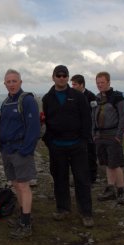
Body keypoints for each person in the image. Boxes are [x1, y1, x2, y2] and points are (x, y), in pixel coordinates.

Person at [42, 65, 94, 227]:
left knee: (82, 179)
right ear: (53, 77)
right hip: (56, 146)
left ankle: (86, 213)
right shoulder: (47, 98)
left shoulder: (78, 97)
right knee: (59, 179)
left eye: (65, 75)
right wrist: (49, 141)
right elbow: (45, 121)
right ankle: (63, 208)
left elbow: (86, 119)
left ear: (68, 78)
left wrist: (84, 140)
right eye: (59, 75)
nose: (62, 77)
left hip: (77, 146)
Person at [0, 69, 41, 239]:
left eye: (14, 81)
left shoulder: (27, 100)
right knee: (16, 185)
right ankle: (22, 215)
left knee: (24, 186)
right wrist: (2, 147)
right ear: (5, 84)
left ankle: (26, 222)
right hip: (7, 151)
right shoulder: (6, 102)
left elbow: (34, 127)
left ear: (20, 82)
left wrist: (26, 150)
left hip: (20, 151)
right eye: (8, 82)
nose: (11, 84)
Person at [92, 72, 124, 203]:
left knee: (115, 163)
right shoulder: (96, 99)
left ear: (109, 82)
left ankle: (121, 191)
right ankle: (110, 189)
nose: (100, 85)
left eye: (102, 82)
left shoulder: (118, 97)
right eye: (98, 82)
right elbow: (93, 117)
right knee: (107, 163)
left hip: (113, 135)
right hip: (100, 136)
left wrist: (119, 136)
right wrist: (94, 134)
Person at [71, 74, 98, 183]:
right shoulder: (73, 95)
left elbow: (95, 114)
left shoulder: (91, 96)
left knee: (90, 154)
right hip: (77, 131)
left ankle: (92, 178)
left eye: (75, 84)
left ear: (82, 84)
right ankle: (80, 177)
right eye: (72, 84)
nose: (72, 86)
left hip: (89, 130)